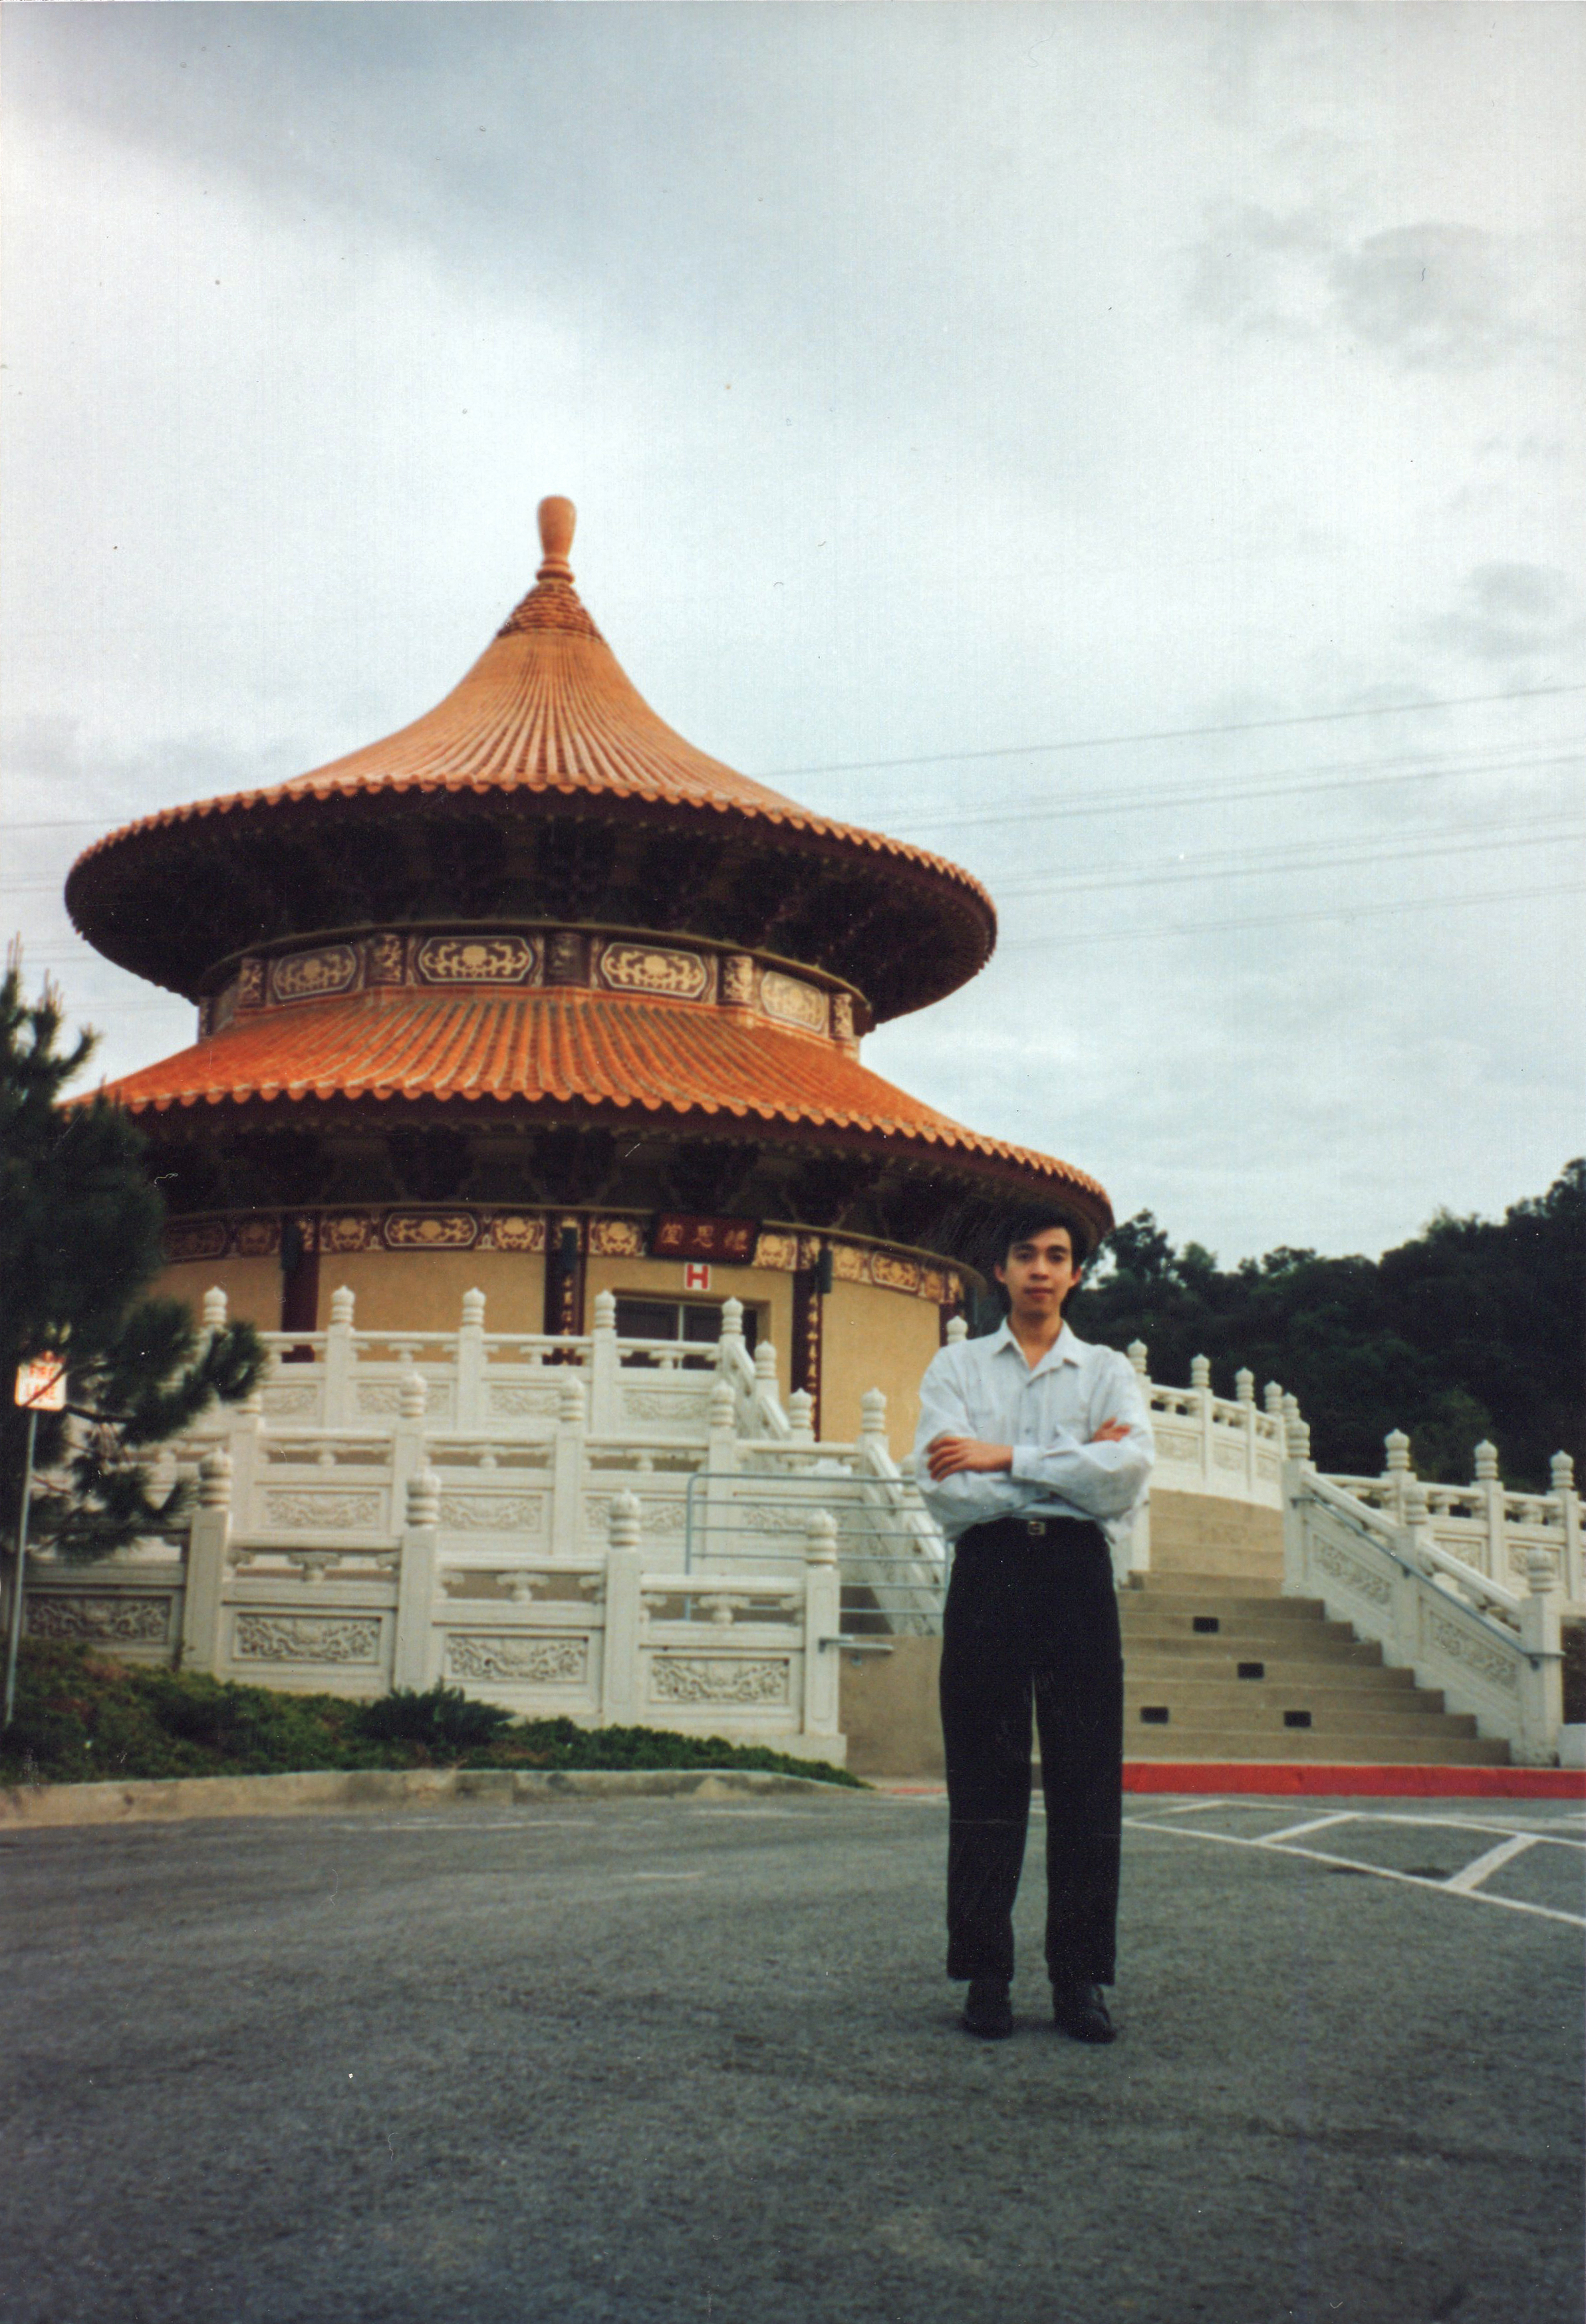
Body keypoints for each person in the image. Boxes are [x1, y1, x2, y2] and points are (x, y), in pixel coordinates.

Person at [913, 1204, 1152, 2043]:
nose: (1041, 1270)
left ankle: (1080, 1980)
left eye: (1057, 1256)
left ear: (1076, 1274)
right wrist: (1070, 1470)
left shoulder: (1105, 1371)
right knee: (985, 1777)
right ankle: (986, 1975)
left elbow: (1125, 1477)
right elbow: (946, 1488)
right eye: (1026, 1255)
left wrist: (1006, 1457)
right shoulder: (956, 1368)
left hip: (1076, 1576)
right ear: (1002, 1270)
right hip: (990, 1571)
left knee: (1086, 1777)